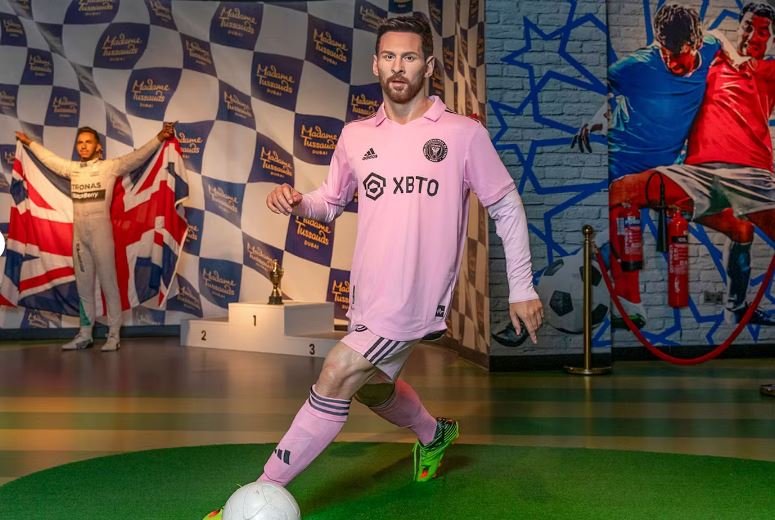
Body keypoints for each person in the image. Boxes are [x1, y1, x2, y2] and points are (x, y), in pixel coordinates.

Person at [204, 13, 542, 517]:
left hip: (413, 299)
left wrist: (522, 286)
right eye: (389, 57)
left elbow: (507, 205)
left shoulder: (461, 134)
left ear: (429, 65)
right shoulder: (356, 136)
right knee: (371, 388)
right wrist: (298, 202)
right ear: (375, 64)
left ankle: (259, 494)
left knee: (337, 372)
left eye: (409, 57)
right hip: (368, 296)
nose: (398, 67)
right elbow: (330, 201)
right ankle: (434, 433)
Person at [571, 3, 752, 329]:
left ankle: (735, 305)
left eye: (678, 56)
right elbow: (603, 88)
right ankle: (605, 297)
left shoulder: (708, 46)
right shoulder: (639, 65)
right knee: (626, 238)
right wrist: (596, 117)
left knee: (738, 225)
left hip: (669, 170)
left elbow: (718, 38)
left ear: (695, 44)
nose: (671, 63)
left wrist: (735, 58)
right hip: (624, 164)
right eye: (665, 54)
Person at [15, 121, 176, 351]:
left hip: (101, 235)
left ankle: (114, 335)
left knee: (109, 284)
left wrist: (159, 138)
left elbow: (138, 157)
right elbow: (50, 160)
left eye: (88, 142)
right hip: (80, 238)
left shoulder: (109, 167)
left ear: (98, 146)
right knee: (84, 288)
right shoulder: (73, 169)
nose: (83, 146)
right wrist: (30, 143)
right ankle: (85, 334)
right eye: (80, 142)